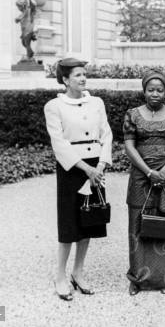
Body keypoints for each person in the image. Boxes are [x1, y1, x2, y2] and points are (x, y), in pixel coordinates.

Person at [44, 58, 113, 301]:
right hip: (72, 168)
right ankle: (60, 276)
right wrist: (86, 169)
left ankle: (78, 272)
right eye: (77, 75)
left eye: (84, 74)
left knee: (89, 219)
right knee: (69, 223)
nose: (83, 79)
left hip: (96, 166)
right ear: (65, 80)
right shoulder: (54, 106)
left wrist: (101, 165)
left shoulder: (96, 102)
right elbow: (59, 143)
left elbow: (106, 133)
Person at [123, 70, 165, 295]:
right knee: (137, 225)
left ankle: (162, 277)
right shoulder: (132, 115)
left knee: (164, 223)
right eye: (151, 90)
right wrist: (149, 171)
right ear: (144, 90)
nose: (155, 94)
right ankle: (138, 278)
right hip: (142, 175)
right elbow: (129, 146)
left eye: (160, 90)